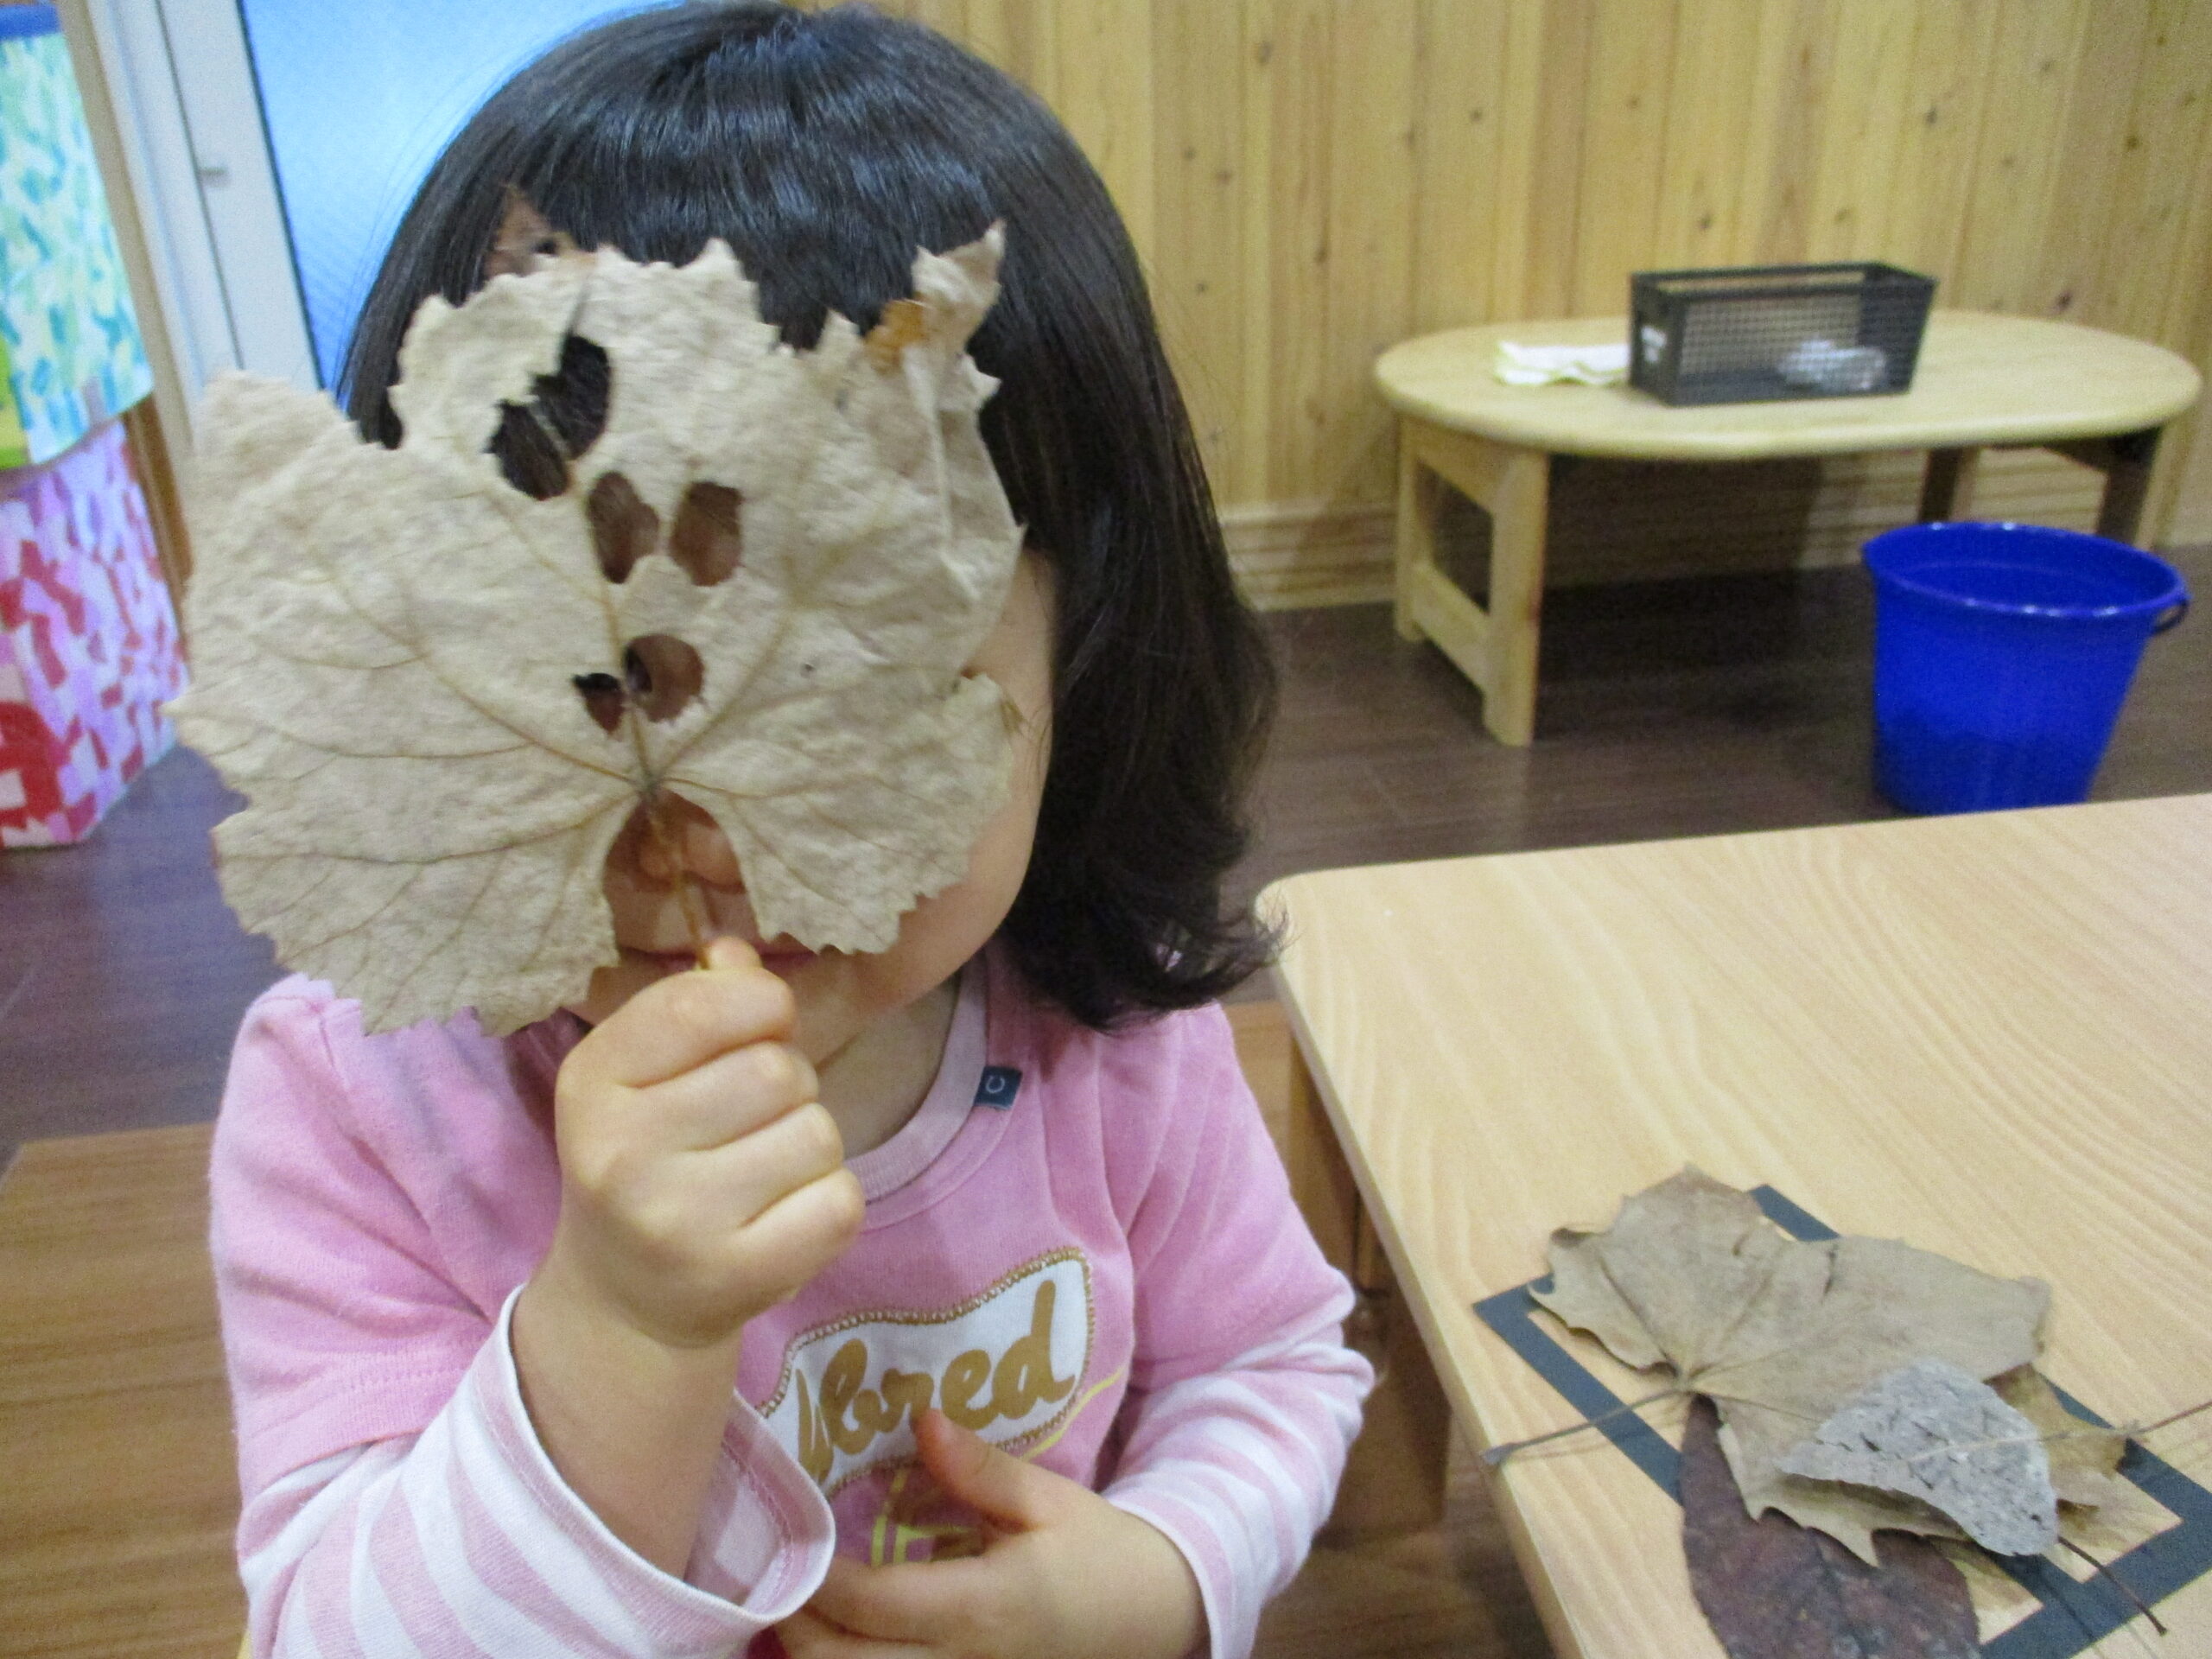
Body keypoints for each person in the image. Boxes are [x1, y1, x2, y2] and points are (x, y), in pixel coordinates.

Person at [209, 6, 1372, 1657]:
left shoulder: (1106, 1041)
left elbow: (1267, 1365)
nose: (697, 832)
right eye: (579, 680)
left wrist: (1163, 1579)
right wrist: (620, 1327)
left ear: (1088, 665)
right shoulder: (367, 1102)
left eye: (845, 687)